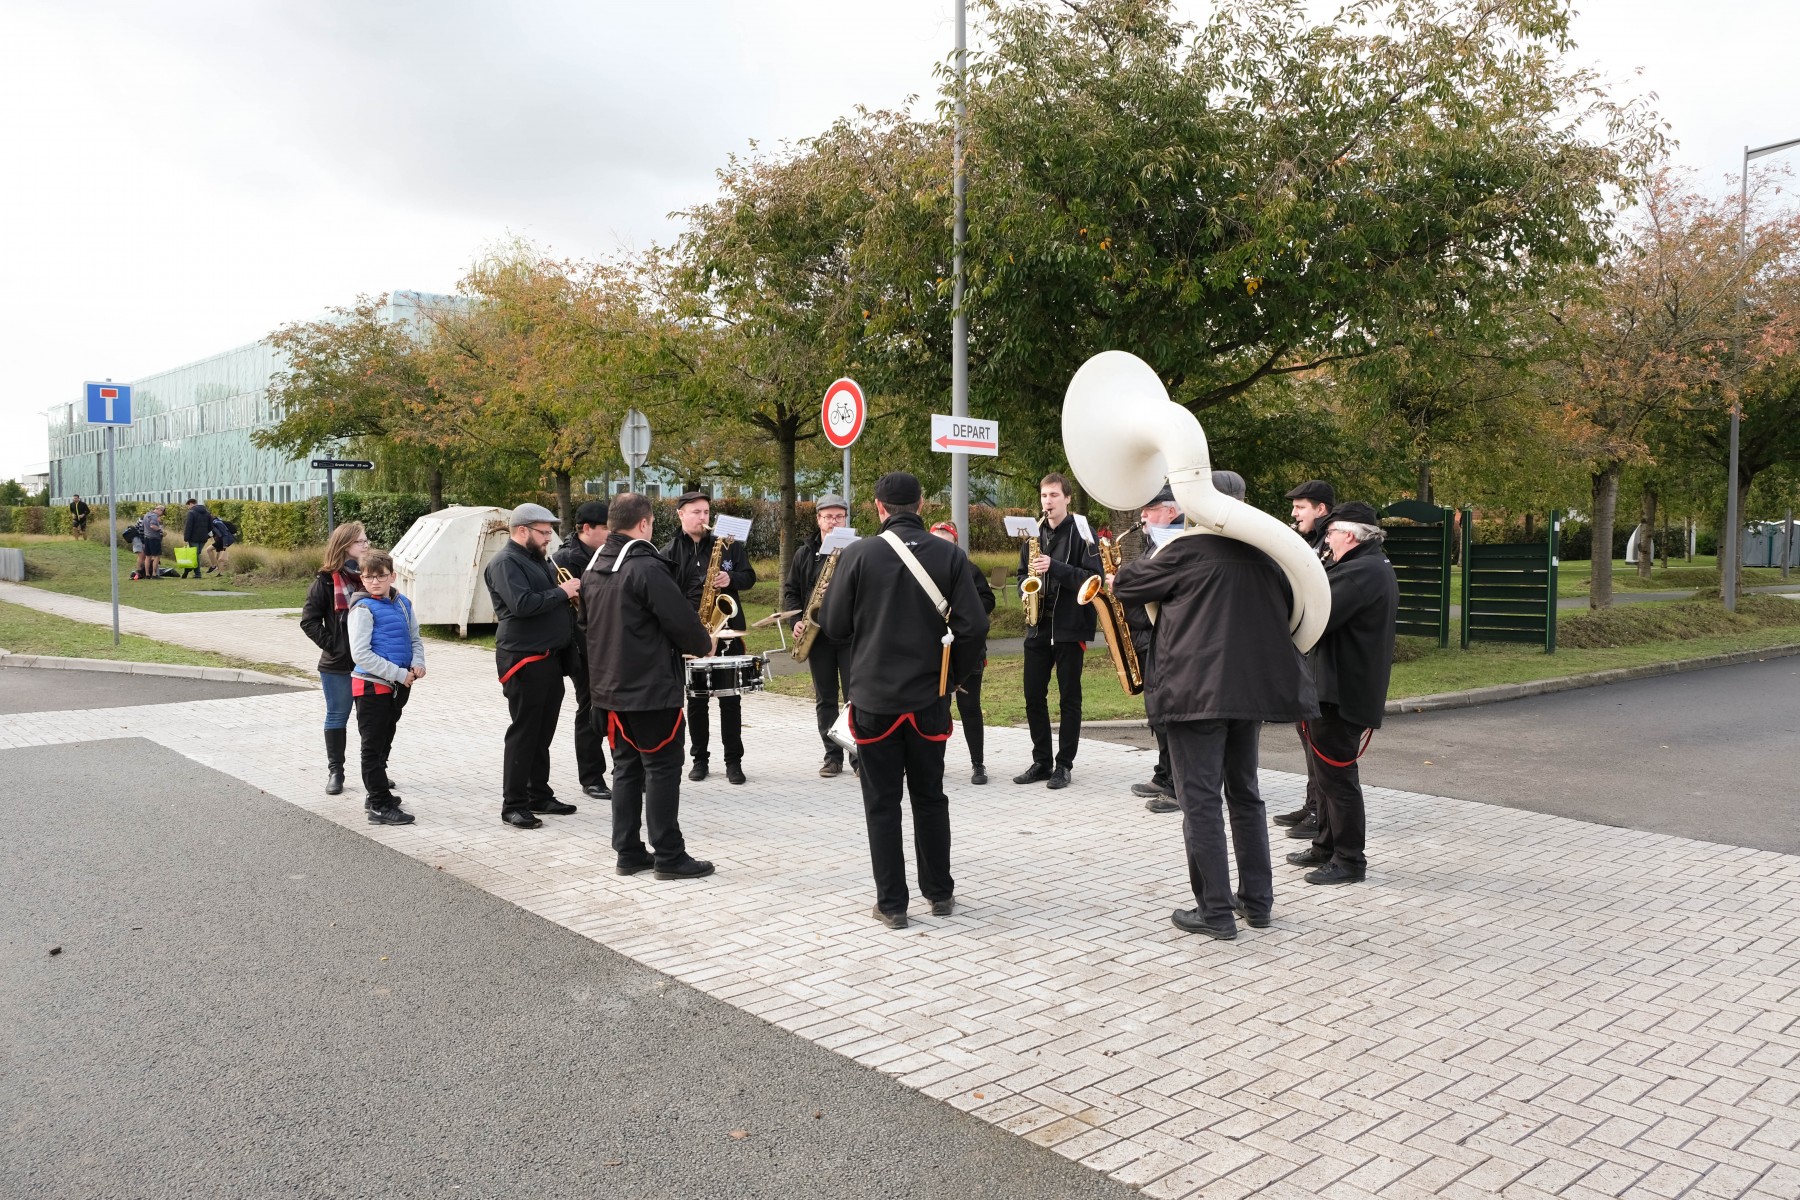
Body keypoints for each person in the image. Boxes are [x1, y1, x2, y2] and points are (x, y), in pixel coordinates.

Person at [1112, 492, 1318, 941]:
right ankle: (1257, 904)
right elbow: (1293, 610)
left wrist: (1151, 549)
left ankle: (1215, 912)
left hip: (1193, 695)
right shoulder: (1268, 555)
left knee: (1201, 801)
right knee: (1246, 796)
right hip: (1249, 694)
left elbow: (1126, 586)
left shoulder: (1184, 552)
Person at [820, 473, 987, 929]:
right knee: (930, 797)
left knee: (882, 804)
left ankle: (893, 905)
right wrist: (951, 679)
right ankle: (940, 893)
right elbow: (974, 626)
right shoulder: (950, 555)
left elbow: (833, 626)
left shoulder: (858, 555)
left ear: (878, 507)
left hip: (874, 700)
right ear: (921, 504)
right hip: (929, 699)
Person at [581, 493, 716, 879]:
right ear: (643, 524)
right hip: (651, 691)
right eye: (652, 523)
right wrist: (704, 643)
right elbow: (681, 621)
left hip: (609, 691)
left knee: (625, 768)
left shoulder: (593, 568)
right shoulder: (646, 567)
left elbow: (586, 627)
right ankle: (669, 856)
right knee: (662, 769)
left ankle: (628, 852)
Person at [1285, 501, 1398, 886]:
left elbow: (1317, 614)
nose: (1327, 540)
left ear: (1349, 535)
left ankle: (1349, 860)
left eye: (1331, 533)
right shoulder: (1364, 566)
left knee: (1337, 779)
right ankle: (1326, 846)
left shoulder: (1360, 572)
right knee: (1326, 777)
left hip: (1340, 692)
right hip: (1336, 688)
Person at [483, 503, 582, 829]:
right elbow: (522, 605)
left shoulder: (537, 559)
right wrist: (562, 592)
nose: (549, 538)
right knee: (524, 734)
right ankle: (513, 805)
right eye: (544, 532)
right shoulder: (505, 563)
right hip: (523, 660)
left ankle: (538, 793)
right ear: (522, 530)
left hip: (548, 658)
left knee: (542, 733)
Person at [1014, 473, 1101, 789]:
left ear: (1067, 498)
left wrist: (1055, 567)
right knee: (1033, 695)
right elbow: (1022, 574)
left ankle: (1064, 765)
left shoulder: (1083, 532)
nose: (1047, 502)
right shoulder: (1034, 534)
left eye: (1053, 495)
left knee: (1069, 699)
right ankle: (1041, 761)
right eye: (1044, 495)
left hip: (1070, 626)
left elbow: (1093, 578)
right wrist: (1025, 590)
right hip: (1038, 625)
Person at [663, 492, 755, 784]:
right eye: (696, 512)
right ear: (681, 514)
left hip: (727, 632)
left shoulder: (728, 544)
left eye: (706, 512)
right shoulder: (669, 551)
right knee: (696, 700)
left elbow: (750, 577)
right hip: (692, 633)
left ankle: (733, 762)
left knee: (730, 699)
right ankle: (699, 760)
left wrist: (732, 579)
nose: (703, 518)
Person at [1117, 483, 1186, 814]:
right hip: (1146, 638)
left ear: (1171, 511)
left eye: (1150, 508)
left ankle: (1176, 782)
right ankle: (1164, 773)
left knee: (1169, 715)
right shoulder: (1154, 541)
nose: (1142, 515)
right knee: (1157, 714)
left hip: (1162, 638)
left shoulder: (1175, 543)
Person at [1275, 479, 1336, 838]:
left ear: (1321, 509)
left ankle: (1320, 813)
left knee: (1317, 738)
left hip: (1319, 654)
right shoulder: (1313, 541)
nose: (1294, 513)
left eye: (1300, 507)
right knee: (1306, 733)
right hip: (1307, 652)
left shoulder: (1328, 545)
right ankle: (1313, 804)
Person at [347, 549, 425, 826]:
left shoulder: (403, 603)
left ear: (392, 576)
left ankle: (376, 794)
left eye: (380, 577)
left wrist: (418, 663)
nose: (375, 582)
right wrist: (399, 674)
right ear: (362, 579)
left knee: (384, 743)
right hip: (372, 687)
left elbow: (415, 638)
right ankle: (379, 806)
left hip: (398, 687)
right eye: (368, 577)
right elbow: (361, 654)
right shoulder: (362, 609)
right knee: (372, 748)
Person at [782, 494, 852, 777]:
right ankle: (832, 757)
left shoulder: (856, 551)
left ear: (845, 519)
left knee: (854, 699)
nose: (833, 522)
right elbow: (791, 591)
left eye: (839, 517)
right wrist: (796, 621)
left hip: (850, 635)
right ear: (818, 519)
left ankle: (858, 757)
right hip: (817, 635)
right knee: (825, 699)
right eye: (828, 517)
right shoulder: (804, 553)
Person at [300, 522, 370, 796]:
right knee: (338, 715)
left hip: (371, 663)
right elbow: (309, 622)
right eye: (360, 541)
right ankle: (336, 772)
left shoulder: (372, 577)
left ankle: (374, 773)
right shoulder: (326, 581)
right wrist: (334, 646)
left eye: (366, 540)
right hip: (338, 664)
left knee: (372, 720)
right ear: (344, 546)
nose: (366, 545)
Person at [552, 500, 612, 800]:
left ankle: (626, 770)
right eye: (606, 528)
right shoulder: (564, 560)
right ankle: (591, 777)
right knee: (590, 708)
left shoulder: (610, 553)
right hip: (583, 647)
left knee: (618, 707)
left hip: (611, 642)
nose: (611, 533)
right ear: (587, 529)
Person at [930, 520, 995, 784]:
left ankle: (978, 764)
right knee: (938, 709)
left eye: (947, 543)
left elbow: (988, 600)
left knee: (970, 708)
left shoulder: (969, 569)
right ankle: (934, 764)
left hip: (968, 649)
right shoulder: (922, 570)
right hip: (935, 650)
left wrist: (962, 610)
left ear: (956, 545)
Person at [180, 498, 211, 577]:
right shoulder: (207, 513)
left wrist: (186, 538)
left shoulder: (191, 513)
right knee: (197, 554)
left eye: (188, 506)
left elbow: (189, 526)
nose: (188, 508)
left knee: (195, 555)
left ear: (191, 504)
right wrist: (206, 534)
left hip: (193, 537)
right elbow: (210, 526)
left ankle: (196, 572)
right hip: (203, 537)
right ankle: (192, 570)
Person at [140, 505, 166, 579]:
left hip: (146, 538)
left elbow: (143, 526)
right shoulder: (154, 516)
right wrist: (161, 531)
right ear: (160, 510)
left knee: (148, 556)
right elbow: (152, 526)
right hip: (154, 538)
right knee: (157, 556)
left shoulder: (146, 515)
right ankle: (154, 574)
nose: (161, 515)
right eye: (162, 513)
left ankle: (147, 574)